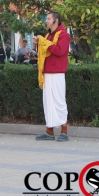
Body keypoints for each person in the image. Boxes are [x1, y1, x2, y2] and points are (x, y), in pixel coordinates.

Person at [33, 11, 70, 141]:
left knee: (59, 101)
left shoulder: (64, 34)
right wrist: (39, 43)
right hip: (47, 73)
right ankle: (49, 131)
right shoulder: (49, 35)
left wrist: (43, 43)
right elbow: (44, 51)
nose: (46, 21)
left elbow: (60, 51)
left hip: (58, 73)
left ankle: (64, 130)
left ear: (55, 21)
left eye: (48, 19)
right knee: (48, 103)